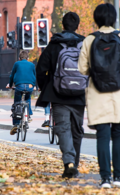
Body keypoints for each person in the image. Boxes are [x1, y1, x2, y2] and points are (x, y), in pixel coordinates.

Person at [78, 3, 120, 188]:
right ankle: (119, 177)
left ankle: (105, 179)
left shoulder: (89, 40)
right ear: (114, 18)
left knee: (103, 135)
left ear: (97, 18)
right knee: (119, 134)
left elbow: (82, 69)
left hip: (98, 92)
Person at [35, 12, 86, 179]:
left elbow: (41, 69)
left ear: (62, 26)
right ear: (77, 26)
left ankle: (69, 163)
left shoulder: (54, 44)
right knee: (77, 131)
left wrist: (47, 87)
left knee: (63, 129)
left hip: (57, 95)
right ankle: (74, 165)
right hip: (79, 95)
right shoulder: (84, 44)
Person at [6, 50, 36, 135]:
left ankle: (16, 123)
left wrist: (10, 85)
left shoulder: (17, 64)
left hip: (19, 86)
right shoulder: (32, 65)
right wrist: (35, 86)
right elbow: (34, 75)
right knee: (28, 98)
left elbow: (12, 75)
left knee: (17, 103)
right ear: (28, 58)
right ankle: (29, 115)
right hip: (30, 86)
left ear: (19, 58)